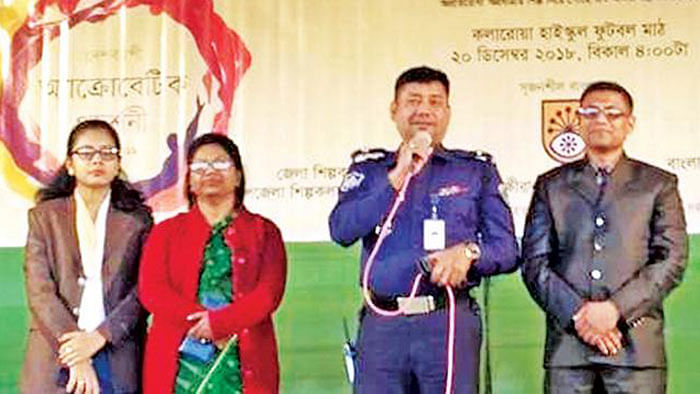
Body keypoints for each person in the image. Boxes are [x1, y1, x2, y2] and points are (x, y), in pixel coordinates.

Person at [329, 66, 518, 394]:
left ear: (447, 112)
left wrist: (469, 253)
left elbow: (507, 249)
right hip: (383, 324)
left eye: (435, 101)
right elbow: (341, 230)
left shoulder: (475, 170)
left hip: (447, 323)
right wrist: (395, 178)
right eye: (413, 100)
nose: (424, 110)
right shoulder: (370, 169)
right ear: (395, 110)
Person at [521, 81, 688, 393]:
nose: (601, 120)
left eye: (612, 113)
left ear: (630, 123)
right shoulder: (551, 185)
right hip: (568, 350)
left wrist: (615, 310)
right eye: (591, 112)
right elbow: (535, 263)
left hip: (636, 350)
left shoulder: (658, 184)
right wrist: (580, 316)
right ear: (579, 121)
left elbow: (672, 259)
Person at [139, 133, 287, 394]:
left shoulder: (264, 231)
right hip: (178, 363)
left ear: (238, 176)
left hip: (242, 361)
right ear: (189, 181)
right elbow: (153, 291)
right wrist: (203, 326)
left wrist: (220, 324)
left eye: (221, 164)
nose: (210, 171)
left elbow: (268, 294)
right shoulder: (166, 232)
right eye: (199, 166)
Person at [22, 120, 153, 394]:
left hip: (117, 351)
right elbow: (40, 292)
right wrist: (77, 353)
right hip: (56, 353)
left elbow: (145, 290)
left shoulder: (139, 220)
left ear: (118, 164)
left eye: (107, 152)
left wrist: (100, 337)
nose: (97, 160)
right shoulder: (44, 217)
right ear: (70, 164)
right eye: (87, 152)